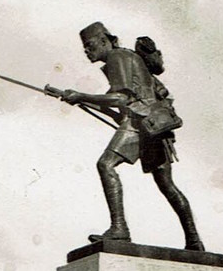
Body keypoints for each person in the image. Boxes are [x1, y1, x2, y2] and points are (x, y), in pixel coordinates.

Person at [60, 22, 205, 251]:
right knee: (167, 184)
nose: (87, 51)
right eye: (84, 48)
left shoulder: (117, 57)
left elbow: (120, 99)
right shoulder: (127, 58)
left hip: (140, 123)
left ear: (105, 40)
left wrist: (81, 95)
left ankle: (119, 229)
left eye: (90, 45)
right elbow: (121, 105)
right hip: (156, 125)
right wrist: (81, 100)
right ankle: (194, 241)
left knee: (105, 164)